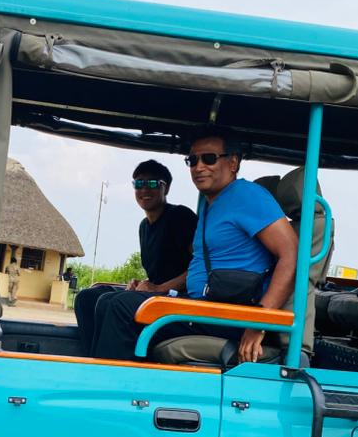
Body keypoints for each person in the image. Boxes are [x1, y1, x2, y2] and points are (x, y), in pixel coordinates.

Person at [90, 132, 297, 363]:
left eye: (209, 158)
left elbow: (291, 254)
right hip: (204, 307)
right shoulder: (213, 204)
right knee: (99, 300)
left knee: (121, 307)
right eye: (193, 160)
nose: (199, 167)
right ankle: (95, 372)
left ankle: (114, 390)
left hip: (229, 313)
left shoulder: (247, 196)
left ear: (233, 163)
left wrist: (260, 322)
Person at [74, 160, 197, 356]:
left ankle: (110, 368)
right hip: (156, 293)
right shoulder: (144, 226)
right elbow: (160, 271)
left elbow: (199, 267)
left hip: (179, 297)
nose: (144, 190)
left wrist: (160, 288)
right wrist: (142, 284)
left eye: (152, 184)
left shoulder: (180, 217)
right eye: (139, 184)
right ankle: (92, 358)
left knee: (110, 302)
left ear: (166, 187)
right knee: (87, 297)